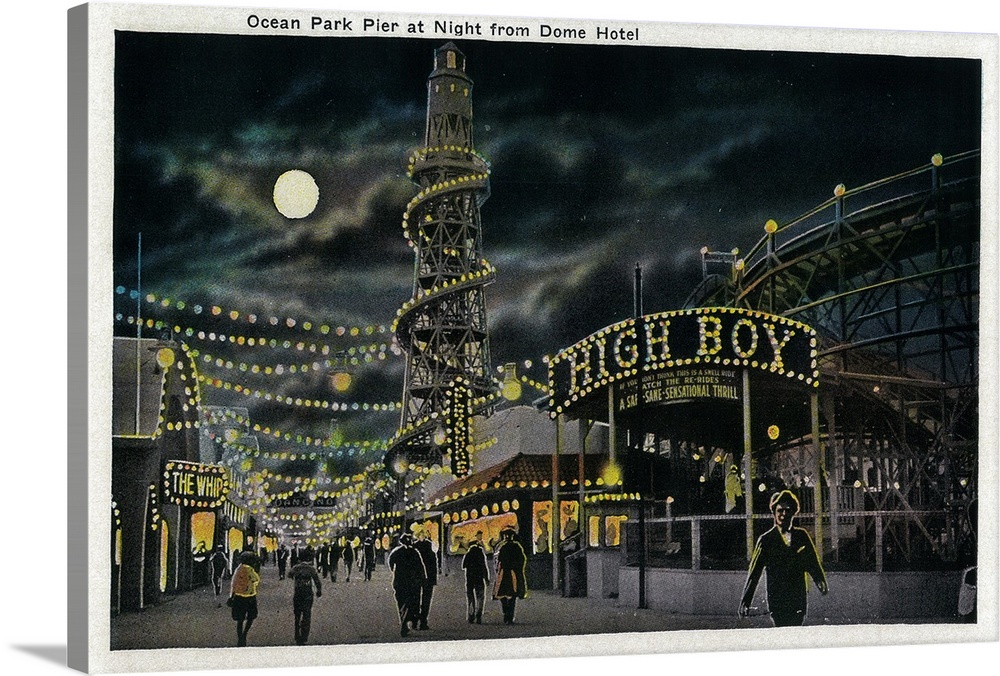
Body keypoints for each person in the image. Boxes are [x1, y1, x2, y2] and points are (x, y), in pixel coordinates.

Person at [739, 489, 829, 627]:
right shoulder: (766, 540)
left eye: (788, 510)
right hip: (777, 601)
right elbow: (754, 572)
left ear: (793, 512)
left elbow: (812, 562)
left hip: (798, 599)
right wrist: (746, 601)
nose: (784, 514)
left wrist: (819, 580)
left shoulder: (802, 536)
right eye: (780, 510)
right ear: (774, 513)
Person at [387, 533, 426, 637]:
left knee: (402, 604)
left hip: (399, 582)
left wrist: (393, 571)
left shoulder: (397, 552)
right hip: (412, 583)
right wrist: (422, 579)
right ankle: (408, 623)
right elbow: (420, 567)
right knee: (412, 603)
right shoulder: (414, 552)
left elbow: (390, 562)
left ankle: (404, 624)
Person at [493, 527, 527, 625]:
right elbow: (522, 560)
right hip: (511, 573)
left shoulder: (501, 546)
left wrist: (498, 570)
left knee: (504, 595)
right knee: (512, 595)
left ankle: (506, 614)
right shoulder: (516, 546)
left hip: (505, 573)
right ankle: (509, 616)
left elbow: (497, 561)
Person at [289, 548, 322, 645]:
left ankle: (296, 634)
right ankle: (304, 636)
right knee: (307, 614)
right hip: (308, 593)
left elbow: (289, 575)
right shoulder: (311, 569)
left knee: (297, 614)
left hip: (298, 593)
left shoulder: (296, 568)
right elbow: (317, 581)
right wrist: (319, 590)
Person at [228, 550, 261, 646]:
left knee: (240, 619)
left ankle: (240, 637)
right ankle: (244, 634)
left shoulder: (238, 569)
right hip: (250, 596)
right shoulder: (249, 569)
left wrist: (231, 595)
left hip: (239, 596)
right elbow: (256, 579)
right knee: (251, 616)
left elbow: (233, 583)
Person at [462, 531, 490, 624]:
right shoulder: (480, 553)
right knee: (480, 597)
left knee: (470, 598)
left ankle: (471, 615)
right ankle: (479, 615)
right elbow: (484, 566)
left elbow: (463, 565)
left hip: (470, 579)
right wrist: (486, 578)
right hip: (479, 579)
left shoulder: (468, 554)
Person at [413, 530, 438, 630]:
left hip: (422, 577)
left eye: (423, 534)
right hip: (421, 577)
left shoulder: (417, 546)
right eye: (420, 534)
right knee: (419, 599)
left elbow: (434, 562)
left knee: (421, 599)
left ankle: (421, 621)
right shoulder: (427, 546)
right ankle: (419, 621)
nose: (422, 536)